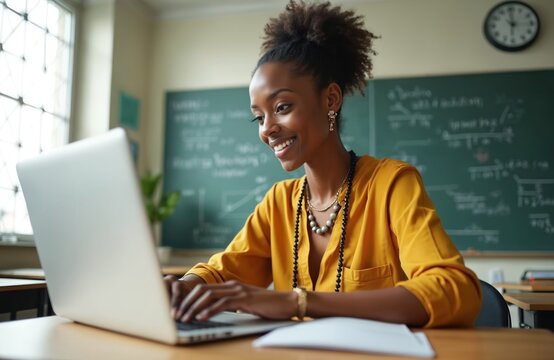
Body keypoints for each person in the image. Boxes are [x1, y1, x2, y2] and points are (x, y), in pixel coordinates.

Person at [165, 0, 481, 328]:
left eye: (282, 106)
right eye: (258, 117)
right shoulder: (279, 203)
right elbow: (220, 273)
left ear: (330, 99)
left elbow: (455, 289)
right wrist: (182, 287)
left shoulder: (392, 184)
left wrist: (296, 301)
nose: (267, 129)